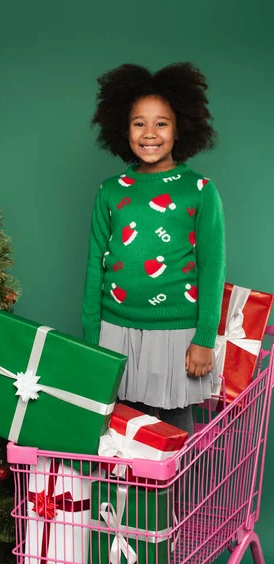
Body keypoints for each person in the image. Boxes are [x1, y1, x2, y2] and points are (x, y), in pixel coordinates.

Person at [82, 62, 226, 435]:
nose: (150, 133)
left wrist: (204, 338)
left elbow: (213, 265)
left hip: (177, 333)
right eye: (139, 123)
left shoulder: (200, 190)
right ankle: (125, 498)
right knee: (118, 432)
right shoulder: (110, 190)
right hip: (115, 329)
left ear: (180, 129)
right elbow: (95, 265)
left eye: (161, 123)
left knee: (174, 435)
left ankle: (177, 497)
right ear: (123, 129)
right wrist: (91, 338)